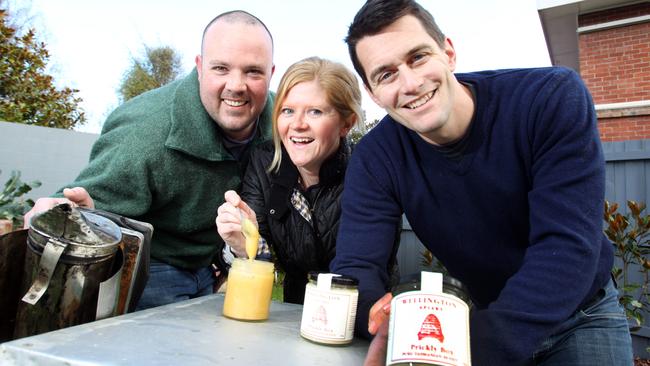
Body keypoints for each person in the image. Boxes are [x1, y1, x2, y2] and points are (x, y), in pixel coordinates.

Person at [329, 0, 633, 365]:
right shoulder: (377, 157)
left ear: (448, 52)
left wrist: (468, 350)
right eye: (386, 74)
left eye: (418, 57)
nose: (409, 84)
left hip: (581, 316)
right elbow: (357, 268)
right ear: (373, 92)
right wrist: (382, 322)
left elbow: (567, 248)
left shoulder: (550, 99)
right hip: (482, 318)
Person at [22, 10, 276, 311]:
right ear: (199, 67)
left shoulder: (284, 124)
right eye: (221, 68)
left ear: (271, 73)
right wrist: (58, 212)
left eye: (253, 72)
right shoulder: (145, 134)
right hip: (153, 266)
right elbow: (83, 206)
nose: (236, 85)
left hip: (213, 266)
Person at [215, 56, 364, 304]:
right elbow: (262, 263)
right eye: (287, 111)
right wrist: (243, 243)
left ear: (345, 124)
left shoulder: (367, 172)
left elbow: (364, 268)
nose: (297, 125)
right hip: (292, 311)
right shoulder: (264, 164)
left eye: (315, 112)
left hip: (353, 313)